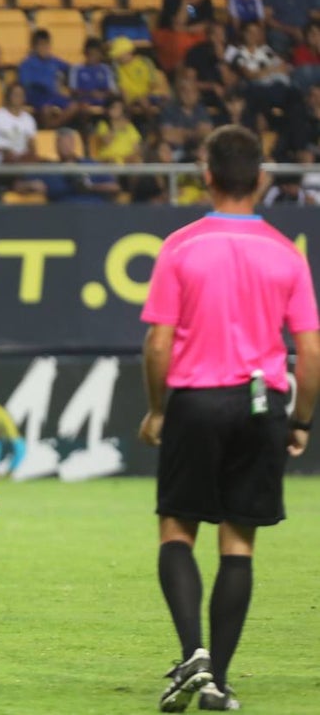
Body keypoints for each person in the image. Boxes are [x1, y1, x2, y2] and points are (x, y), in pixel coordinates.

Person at [138, 125, 320, 713]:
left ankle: (192, 652)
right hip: (261, 405)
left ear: (206, 175)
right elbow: (310, 351)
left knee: (177, 531)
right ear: (262, 179)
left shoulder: (181, 247)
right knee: (238, 543)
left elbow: (157, 344)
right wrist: (300, 422)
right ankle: (217, 681)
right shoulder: (286, 253)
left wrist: (159, 409)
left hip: (196, 400)